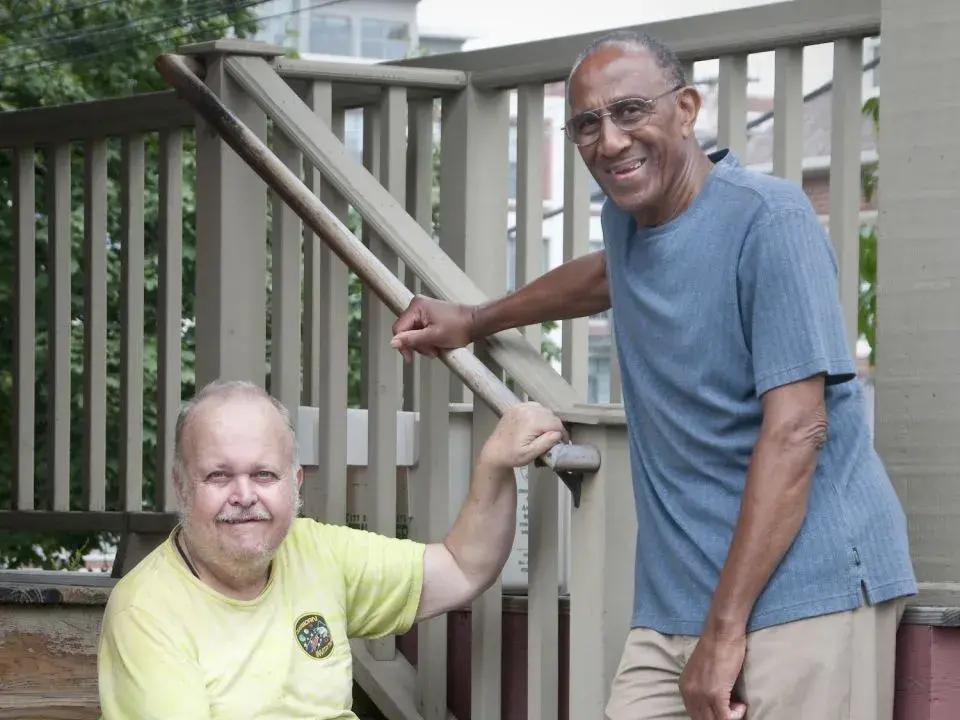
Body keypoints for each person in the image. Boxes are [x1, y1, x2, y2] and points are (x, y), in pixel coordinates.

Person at [390, 29, 917, 720]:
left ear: (687, 109)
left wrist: (724, 633)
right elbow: (607, 277)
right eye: (587, 124)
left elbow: (797, 433)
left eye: (631, 110)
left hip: (806, 593)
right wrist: (476, 318)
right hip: (677, 601)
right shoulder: (629, 224)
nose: (610, 141)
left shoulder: (770, 221)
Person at [97, 379, 567, 719]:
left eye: (264, 474)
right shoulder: (145, 611)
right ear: (182, 487)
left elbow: (463, 567)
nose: (244, 495)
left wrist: (495, 464)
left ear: (295, 484)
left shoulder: (316, 550)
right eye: (219, 475)